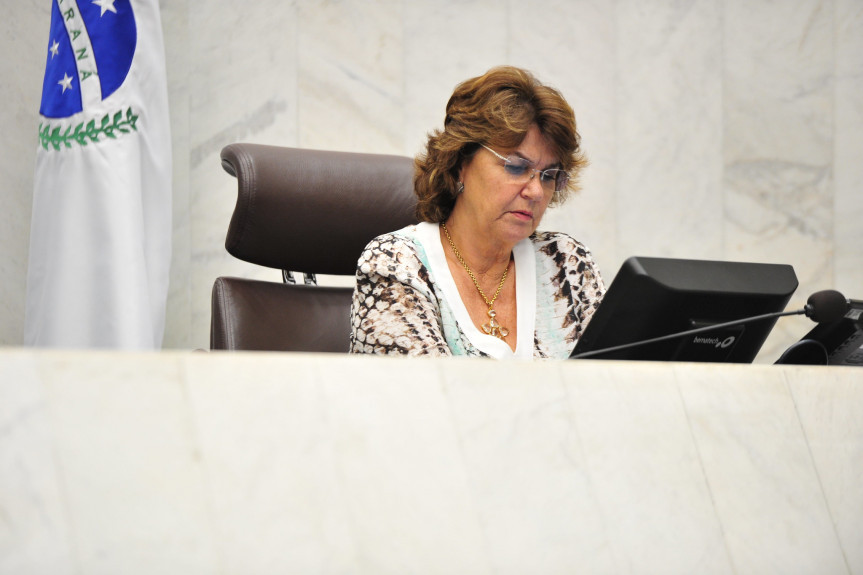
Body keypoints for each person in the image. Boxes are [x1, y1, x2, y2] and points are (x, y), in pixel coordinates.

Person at [350, 66, 605, 358]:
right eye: (516, 167)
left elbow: (615, 384)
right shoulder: (397, 264)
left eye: (548, 175)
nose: (536, 192)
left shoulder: (566, 263)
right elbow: (426, 397)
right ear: (460, 164)